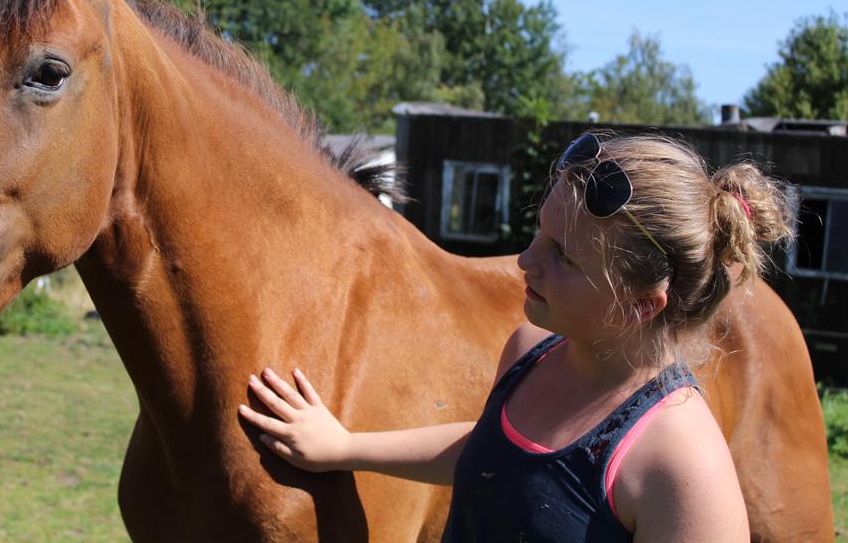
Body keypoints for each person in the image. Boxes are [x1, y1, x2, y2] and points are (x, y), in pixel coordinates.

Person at [238, 132, 794, 541]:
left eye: (564, 257)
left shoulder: (683, 464)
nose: (525, 260)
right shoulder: (530, 351)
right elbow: (492, 453)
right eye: (540, 235)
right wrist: (344, 448)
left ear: (641, 305)